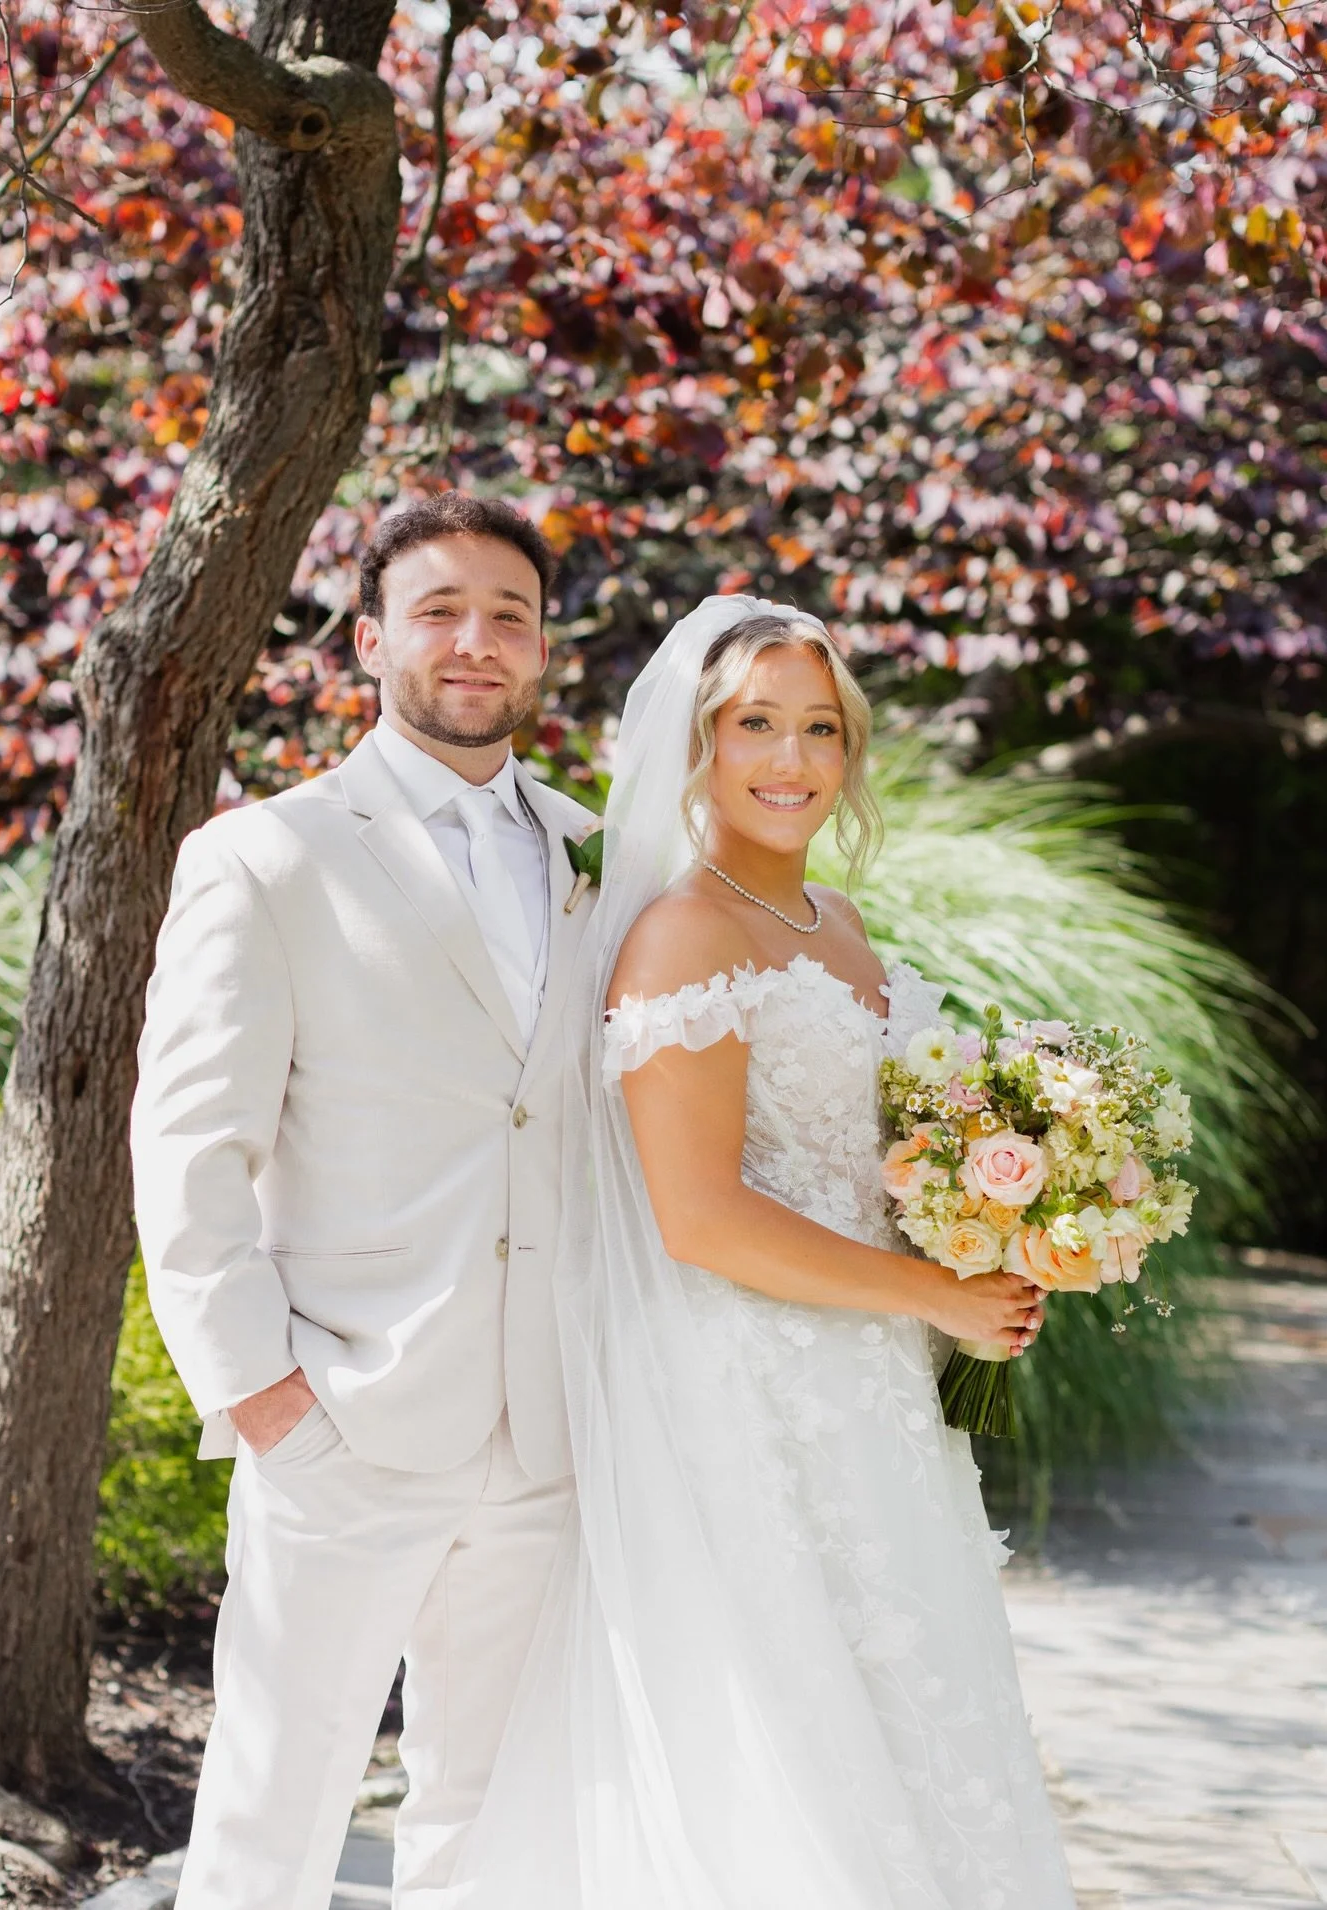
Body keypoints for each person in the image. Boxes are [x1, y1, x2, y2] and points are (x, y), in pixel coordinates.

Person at [435, 596, 1077, 1909]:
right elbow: (702, 1217)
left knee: (914, 1693)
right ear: (699, 745)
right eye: (756, 726)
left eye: (820, 728)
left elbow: (870, 1160)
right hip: (755, 1387)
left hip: (877, 1381)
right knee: (793, 1723)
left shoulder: (836, 920)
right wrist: (940, 1291)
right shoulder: (685, 935)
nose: (791, 759)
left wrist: (1010, 1227)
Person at [130, 494, 598, 1910]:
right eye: (442, 609)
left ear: (542, 651)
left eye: (508, 615)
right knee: (275, 1813)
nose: (477, 641)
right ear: (369, 638)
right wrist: (265, 1398)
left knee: (492, 1819)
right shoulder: (266, 856)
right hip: (342, 1417)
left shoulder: (599, 858)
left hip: (548, 1434)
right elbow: (188, 1147)